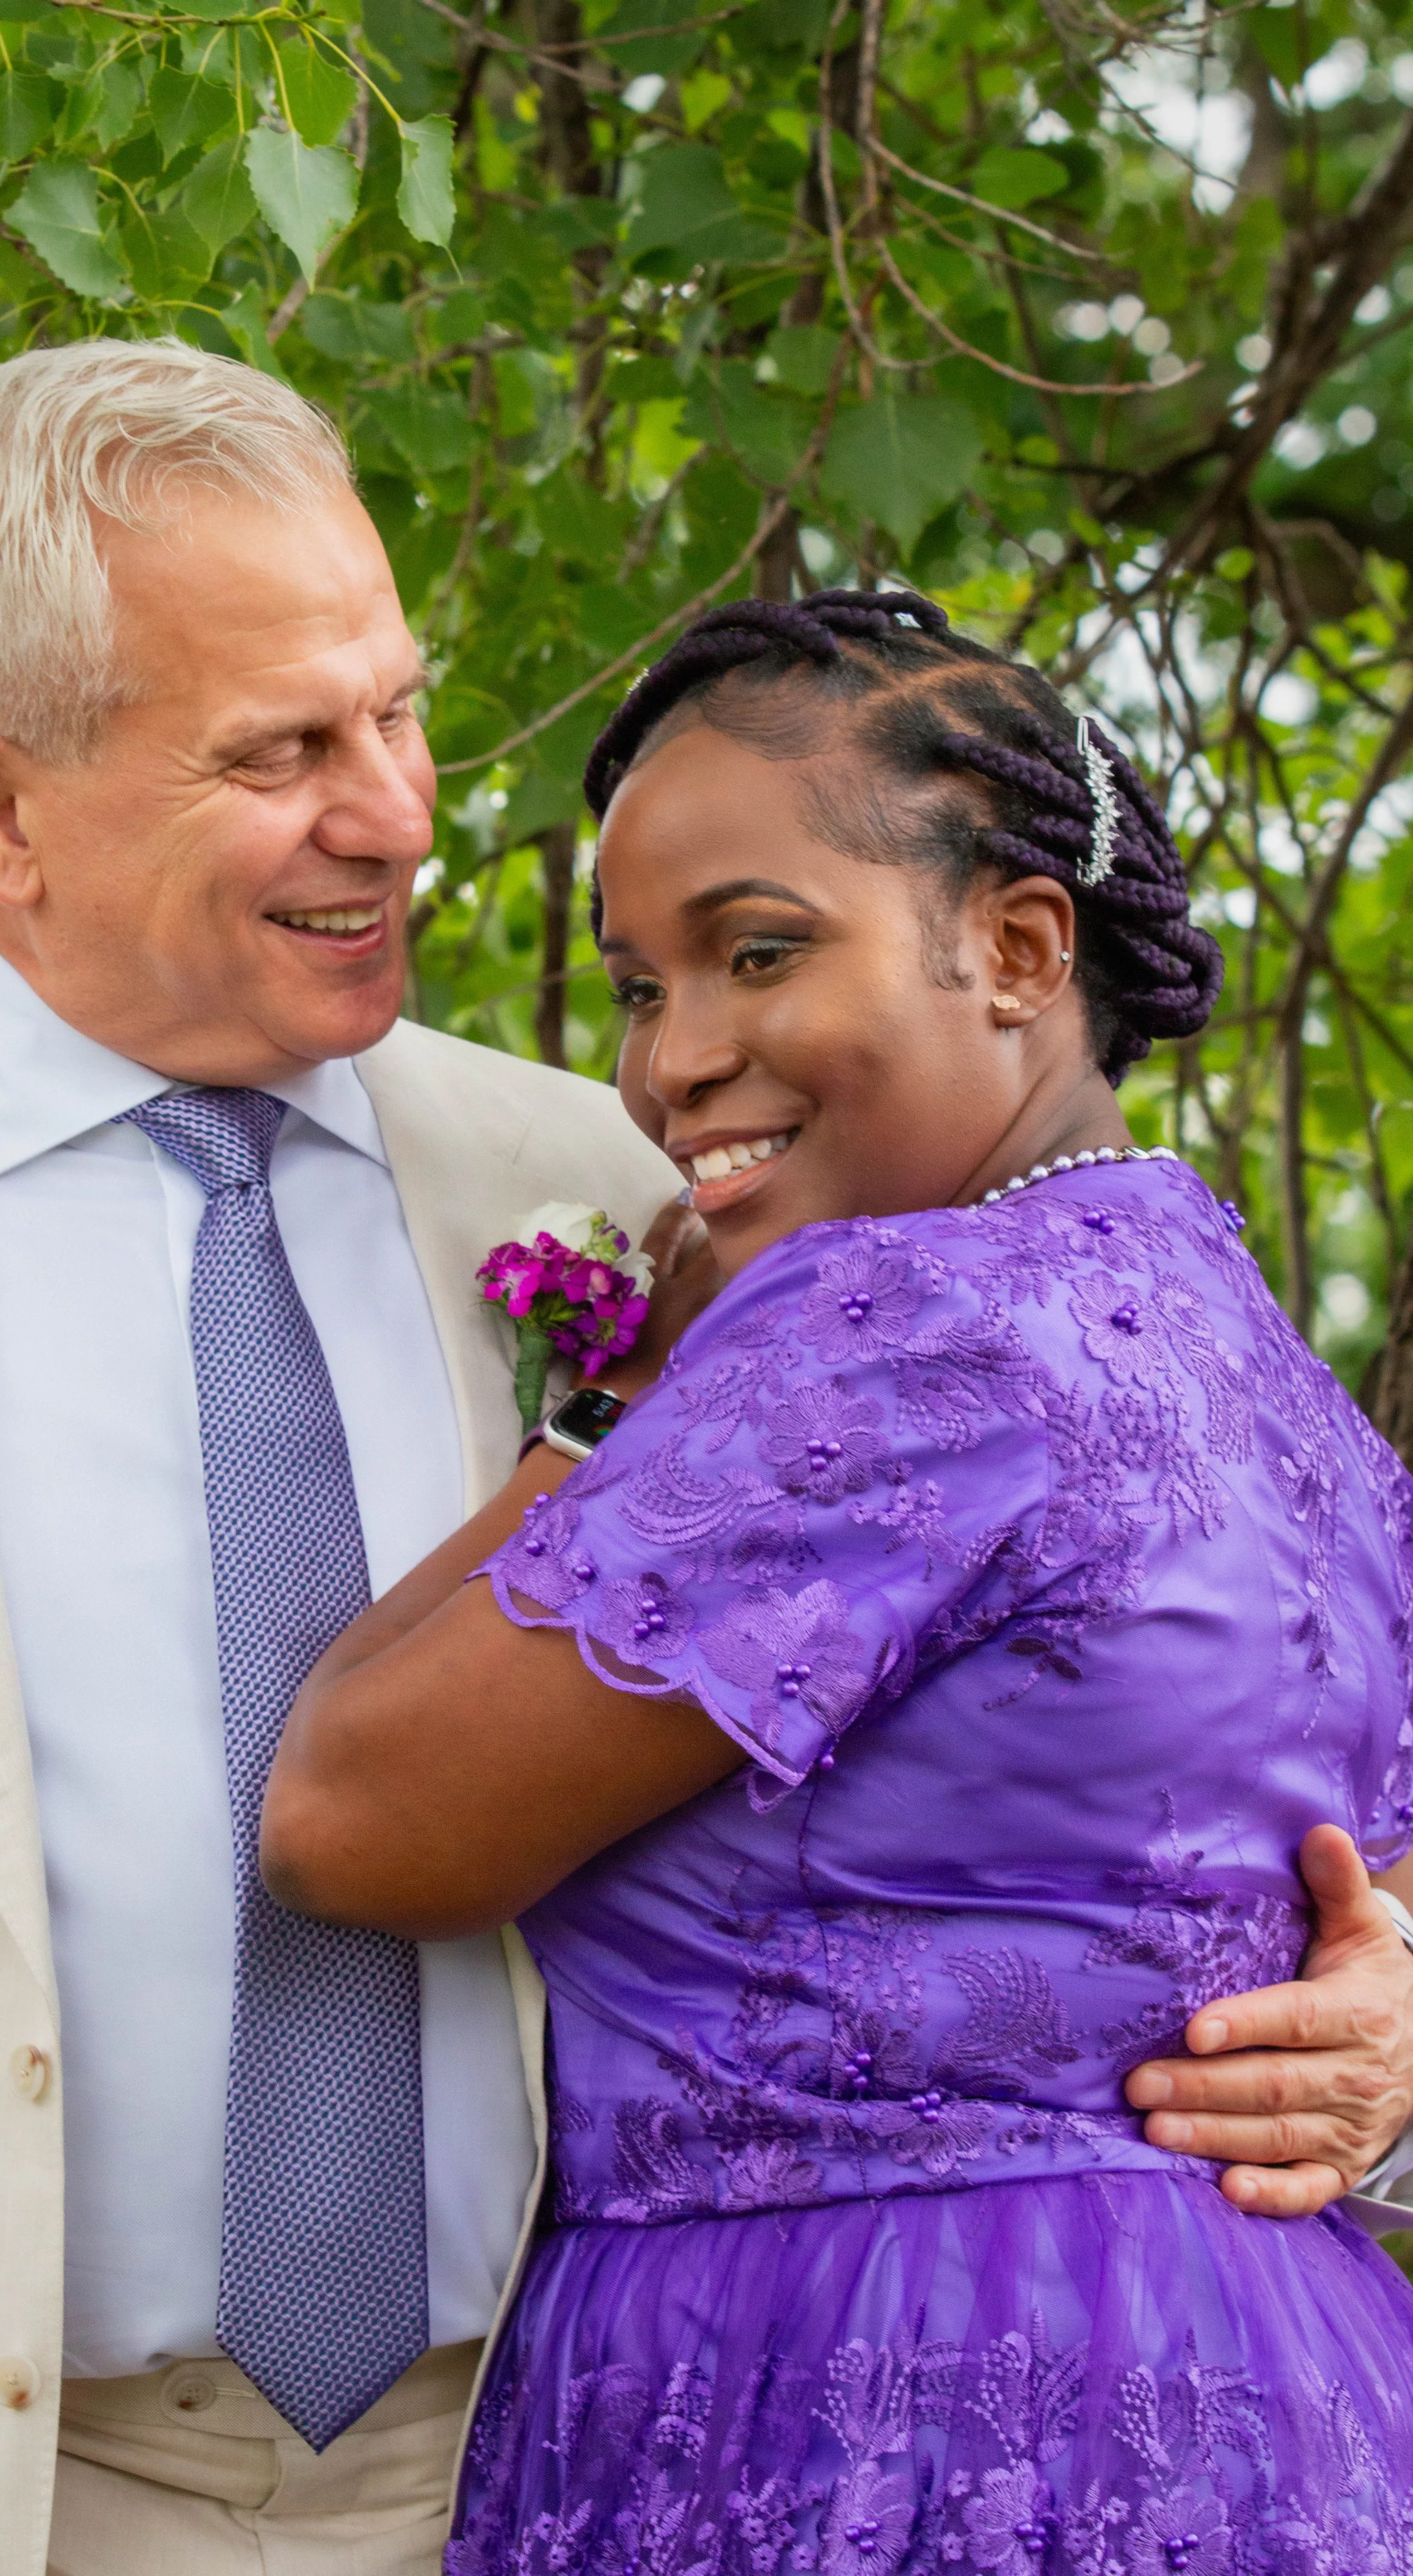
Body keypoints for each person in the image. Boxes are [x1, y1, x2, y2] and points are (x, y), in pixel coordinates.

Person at [0, 356, 1403, 2576]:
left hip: (607, 2460)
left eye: (394, 713)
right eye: (282, 750)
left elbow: (1171, 1697)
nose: (396, 811)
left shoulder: (666, 1197)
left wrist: (1372, 2007)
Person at [262, 588, 1413, 2571]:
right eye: (637, 986)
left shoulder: (896, 1328)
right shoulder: (1279, 1387)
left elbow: (355, 1817)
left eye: (758, 952)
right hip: (1269, 2396)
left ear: (1017, 944)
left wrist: (604, 1404)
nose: (674, 1060)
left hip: (858, 2399)